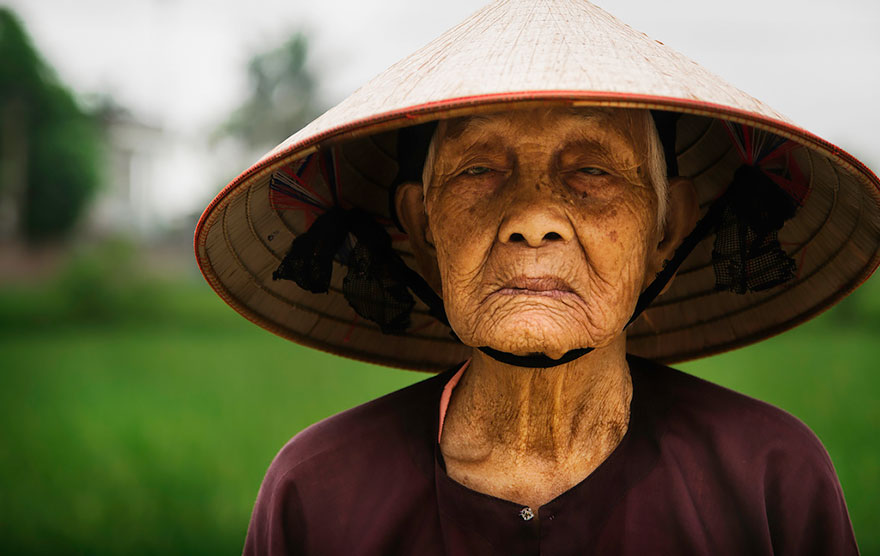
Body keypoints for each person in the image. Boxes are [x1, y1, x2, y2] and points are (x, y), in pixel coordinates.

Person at [194, 1, 877, 554]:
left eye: (592, 171)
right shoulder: (318, 494)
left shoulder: (769, 479)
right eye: (478, 170)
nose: (534, 219)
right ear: (423, 225)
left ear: (665, 229)